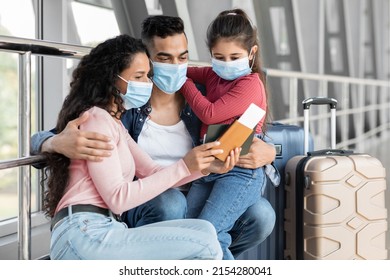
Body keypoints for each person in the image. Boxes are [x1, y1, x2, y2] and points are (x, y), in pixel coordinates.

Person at [32, 15, 277, 259]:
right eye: (165, 58)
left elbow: (244, 127)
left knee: (261, 214)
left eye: (182, 57)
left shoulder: (204, 95)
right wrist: (52, 142)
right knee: (172, 205)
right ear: (147, 60)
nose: (177, 66)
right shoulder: (121, 107)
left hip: (195, 190)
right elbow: (49, 138)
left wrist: (271, 151)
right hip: (143, 203)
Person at [179, 9, 269, 259]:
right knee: (189, 231)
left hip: (239, 171)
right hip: (209, 167)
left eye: (234, 56)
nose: (226, 63)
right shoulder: (213, 74)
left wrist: (183, 84)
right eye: (219, 56)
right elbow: (186, 70)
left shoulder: (251, 84)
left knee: (210, 234)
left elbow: (210, 113)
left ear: (252, 53)